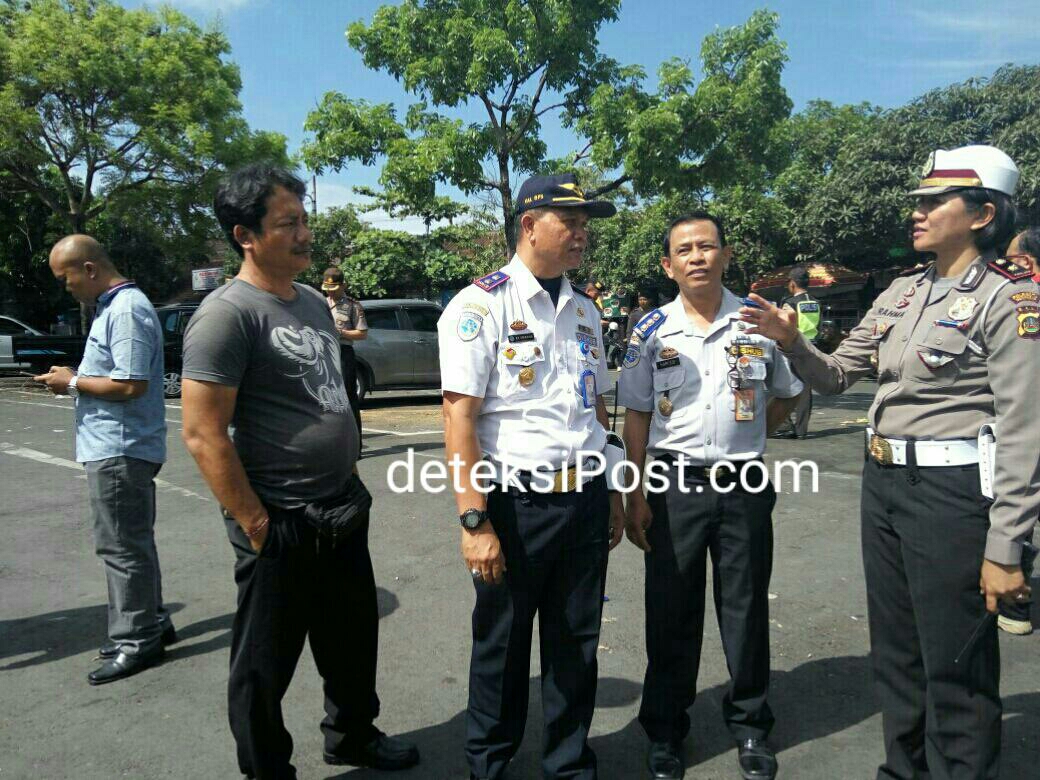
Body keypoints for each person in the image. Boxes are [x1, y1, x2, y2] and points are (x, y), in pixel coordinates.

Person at [740, 145, 1039, 780]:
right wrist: (792, 343)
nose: (918, 212)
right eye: (918, 201)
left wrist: (1006, 545)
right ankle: (902, 771)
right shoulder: (903, 292)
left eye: (935, 201)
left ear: (983, 214)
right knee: (897, 654)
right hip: (883, 484)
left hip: (953, 492)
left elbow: (1025, 430)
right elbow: (835, 375)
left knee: (954, 664)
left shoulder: (1009, 299)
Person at [180, 163, 418, 780]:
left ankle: (352, 736)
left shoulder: (311, 301)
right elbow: (203, 433)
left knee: (351, 639)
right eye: (288, 224)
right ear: (245, 235)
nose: (305, 234)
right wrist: (255, 522)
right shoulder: (226, 315)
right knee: (265, 663)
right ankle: (267, 769)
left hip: (341, 504)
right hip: (280, 518)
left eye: (305, 220)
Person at [438, 173, 626, 780]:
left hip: (585, 501)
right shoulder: (480, 306)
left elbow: (597, 411)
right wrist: (474, 520)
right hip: (516, 509)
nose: (581, 233)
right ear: (528, 225)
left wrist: (615, 489)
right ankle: (489, 766)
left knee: (577, 644)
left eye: (584, 223)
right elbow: (458, 417)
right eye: (569, 221)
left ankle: (569, 765)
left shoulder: (586, 310)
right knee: (502, 647)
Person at [618, 212, 802, 780]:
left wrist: (749, 436)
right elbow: (637, 415)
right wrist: (633, 491)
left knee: (745, 611)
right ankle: (665, 731)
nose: (697, 257)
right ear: (668, 265)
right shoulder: (650, 332)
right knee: (670, 613)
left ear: (726, 254)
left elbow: (789, 393)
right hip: (673, 487)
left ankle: (750, 726)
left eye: (707, 246)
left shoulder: (757, 323)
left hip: (743, 485)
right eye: (685, 250)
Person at [35, 234, 173, 684]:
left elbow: (131, 384)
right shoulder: (113, 306)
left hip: (120, 447)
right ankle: (152, 621)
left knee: (121, 547)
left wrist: (72, 382)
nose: (67, 287)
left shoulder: (126, 310)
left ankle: (137, 639)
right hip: (117, 446)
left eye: (67, 278)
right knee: (132, 542)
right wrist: (74, 377)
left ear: (90, 269)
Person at [995, 225, 1040, 636]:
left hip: (1026, 425)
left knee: (1016, 511)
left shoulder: (1021, 299)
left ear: (1024, 261)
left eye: (1010, 259)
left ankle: (1014, 603)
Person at [322, 266, 367, 441]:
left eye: (334, 288)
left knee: (348, 397)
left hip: (343, 353)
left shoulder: (352, 306)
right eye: (327, 289)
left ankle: (356, 443)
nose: (330, 292)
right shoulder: (321, 303)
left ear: (343, 285)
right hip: (324, 354)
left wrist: (341, 332)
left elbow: (362, 333)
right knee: (326, 398)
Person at [778, 266, 820, 438]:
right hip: (812, 347)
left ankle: (783, 424)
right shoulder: (815, 302)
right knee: (805, 389)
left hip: (794, 346)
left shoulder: (790, 303)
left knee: (783, 384)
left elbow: (784, 326)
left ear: (793, 284)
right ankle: (801, 430)